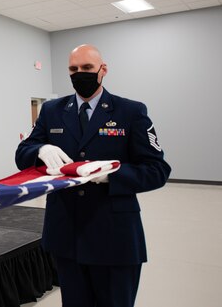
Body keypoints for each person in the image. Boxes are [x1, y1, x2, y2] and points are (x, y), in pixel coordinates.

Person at [15, 44, 171, 307]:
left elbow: (157, 170)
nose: (80, 74)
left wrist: (109, 174)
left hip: (114, 235)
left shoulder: (130, 112)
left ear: (103, 70)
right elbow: (22, 154)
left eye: (87, 68)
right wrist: (41, 148)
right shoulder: (52, 110)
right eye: (73, 69)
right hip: (66, 233)